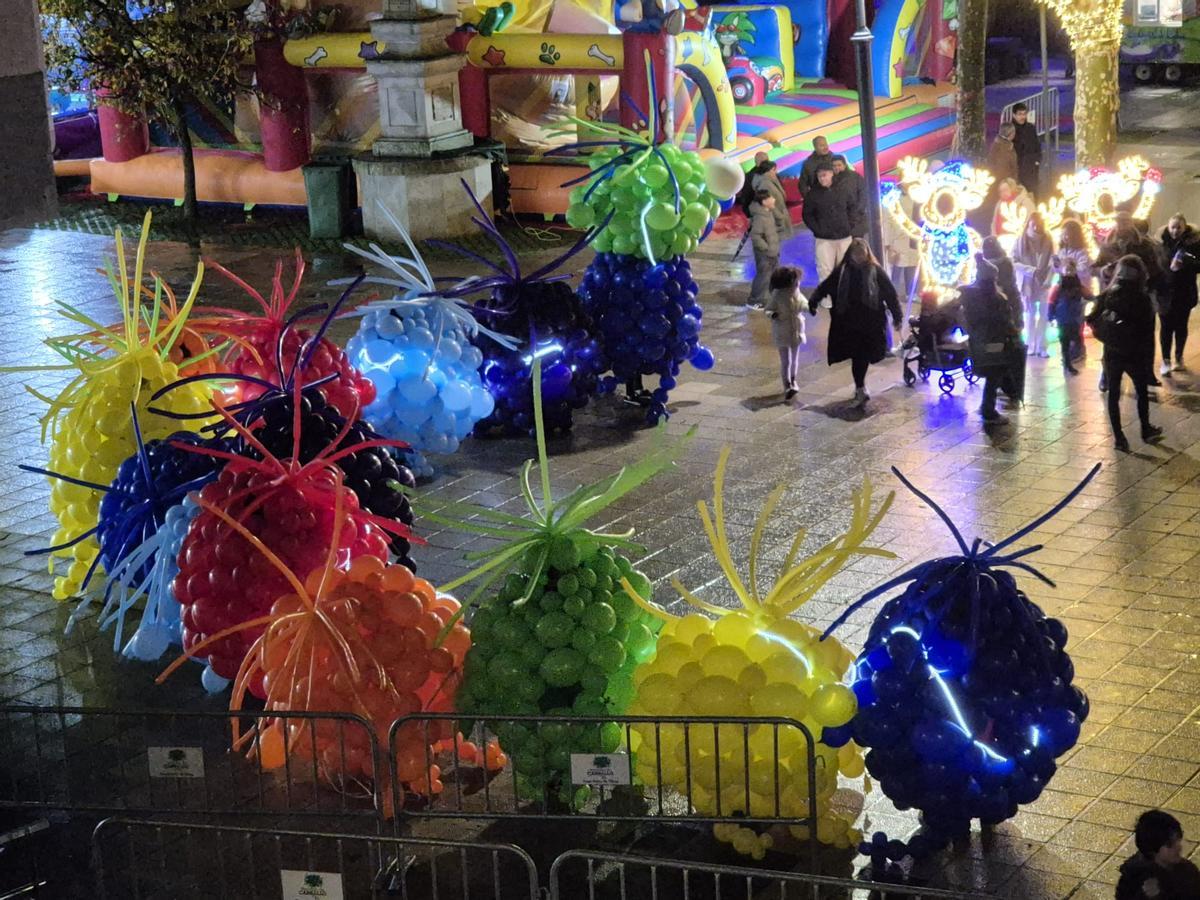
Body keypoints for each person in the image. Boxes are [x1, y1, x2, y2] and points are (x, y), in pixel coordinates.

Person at [808, 238, 902, 408]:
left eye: (861, 256)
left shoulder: (875, 271)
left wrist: (898, 316)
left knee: (861, 356)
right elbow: (826, 286)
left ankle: (860, 387)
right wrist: (813, 301)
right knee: (858, 356)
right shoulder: (843, 271)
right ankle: (860, 387)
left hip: (869, 323)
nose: (858, 259)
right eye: (856, 255)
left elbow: (890, 294)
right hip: (849, 322)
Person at [1086, 255, 1162, 451]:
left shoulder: (1108, 294)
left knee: (1113, 394)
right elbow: (1147, 330)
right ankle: (1146, 429)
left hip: (1112, 352)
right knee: (1141, 392)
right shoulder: (1142, 298)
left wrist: (1105, 334)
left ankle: (1119, 437)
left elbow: (1091, 318)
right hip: (1134, 352)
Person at [960, 254, 1023, 424]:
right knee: (995, 372)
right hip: (995, 342)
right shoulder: (996, 299)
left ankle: (997, 401)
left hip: (977, 342)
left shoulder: (969, 296)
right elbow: (1006, 322)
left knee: (993, 372)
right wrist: (1014, 333)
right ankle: (988, 410)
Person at [1116, 810, 1200, 900]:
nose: (1178, 847)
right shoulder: (1133, 880)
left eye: (1178, 840)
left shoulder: (1187, 871)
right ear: (1153, 850)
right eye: (1169, 844)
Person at [1157, 212, 1200, 375]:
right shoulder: (1161, 244)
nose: (1175, 231)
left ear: (1185, 228)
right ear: (1168, 228)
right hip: (1165, 292)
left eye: (1179, 228)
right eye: (1173, 227)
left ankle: (1179, 357)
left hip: (1184, 292)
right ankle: (1166, 359)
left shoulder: (1194, 244)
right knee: (1166, 327)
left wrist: (1186, 262)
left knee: (1181, 326)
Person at [1011, 211, 1056, 358]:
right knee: (1029, 315)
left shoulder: (1048, 240)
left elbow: (1052, 262)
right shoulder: (1020, 241)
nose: (1036, 226)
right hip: (1027, 283)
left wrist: (1047, 278)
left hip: (1043, 283)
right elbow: (1014, 261)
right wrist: (1031, 271)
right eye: (1033, 223)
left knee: (1044, 315)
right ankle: (1031, 345)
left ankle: (1042, 346)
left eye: (1039, 223)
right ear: (1029, 223)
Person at [802, 164, 855, 284]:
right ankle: (827, 301)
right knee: (825, 270)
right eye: (819, 176)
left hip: (844, 236)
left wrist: (849, 225)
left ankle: (843, 299)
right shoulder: (813, 194)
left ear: (831, 174)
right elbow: (807, 215)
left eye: (824, 175)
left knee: (845, 269)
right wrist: (818, 230)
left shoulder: (843, 190)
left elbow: (852, 208)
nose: (822, 179)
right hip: (824, 239)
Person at [764, 265, 808, 400]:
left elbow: (804, 303)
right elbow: (768, 309)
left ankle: (793, 381)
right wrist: (773, 315)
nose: (798, 284)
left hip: (796, 331)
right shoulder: (778, 295)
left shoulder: (797, 293)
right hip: (782, 331)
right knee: (786, 361)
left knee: (794, 360)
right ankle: (787, 385)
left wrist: (809, 308)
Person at [1047, 258, 1089, 375]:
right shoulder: (1059, 287)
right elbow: (1051, 301)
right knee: (1065, 342)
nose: (1069, 272)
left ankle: (1072, 358)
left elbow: (1088, 294)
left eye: (1071, 269)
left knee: (1076, 339)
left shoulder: (1077, 286)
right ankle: (1068, 363)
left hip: (1074, 318)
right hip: (1064, 319)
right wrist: (1050, 315)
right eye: (1067, 269)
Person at [747, 190, 780, 308]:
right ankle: (754, 300)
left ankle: (769, 299)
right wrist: (766, 248)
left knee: (772, 276)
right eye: (772, 198)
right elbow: (755, 235)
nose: (774, 200)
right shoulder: (760, 217)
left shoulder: (768, 213)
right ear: (764, 201)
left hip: (772, 251)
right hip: (764, 254)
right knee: (763, 276)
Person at [751, 157, 793, 239]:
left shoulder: (770, 180)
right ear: (768, 171)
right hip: (774, 221)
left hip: (778, 217)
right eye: (774, 170)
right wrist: (780, 216)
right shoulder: (764, 184)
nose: (776, 172)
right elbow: (767, 204)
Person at [990, 178, 1036, 249]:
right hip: (1000, 243)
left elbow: (1032, 220)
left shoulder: (1024, 202)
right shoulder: (999, 204)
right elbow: (994, 222)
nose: (1003, 193)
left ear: (1012, 188)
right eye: (1001, 191)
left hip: (1019, 244)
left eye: (1005, 190)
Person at [982, 235, 1022, 313]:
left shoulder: (982, 265)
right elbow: (1010, 282)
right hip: (1008, 298)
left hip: (990, 301)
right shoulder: (1006, 262)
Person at [1010, 102, 1042, 198]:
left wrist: (1037, 160)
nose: (1022, 117)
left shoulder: (1030, 128)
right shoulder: (1010, 129)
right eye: (1020, 114)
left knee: (1032, 194)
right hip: (1017, 169)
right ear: (1014, 115)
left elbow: (1037, 145)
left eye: (1024, 114)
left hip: (1031, 169)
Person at [831, 156, 868, 238]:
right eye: (834, 166)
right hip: (839, 221)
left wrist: (858, 211)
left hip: (856, 218)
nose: (837, 167)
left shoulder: (855, 177)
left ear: (844, 165)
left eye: (839, 165)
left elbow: (863, 194)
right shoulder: (830, 180)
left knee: (856, 244)